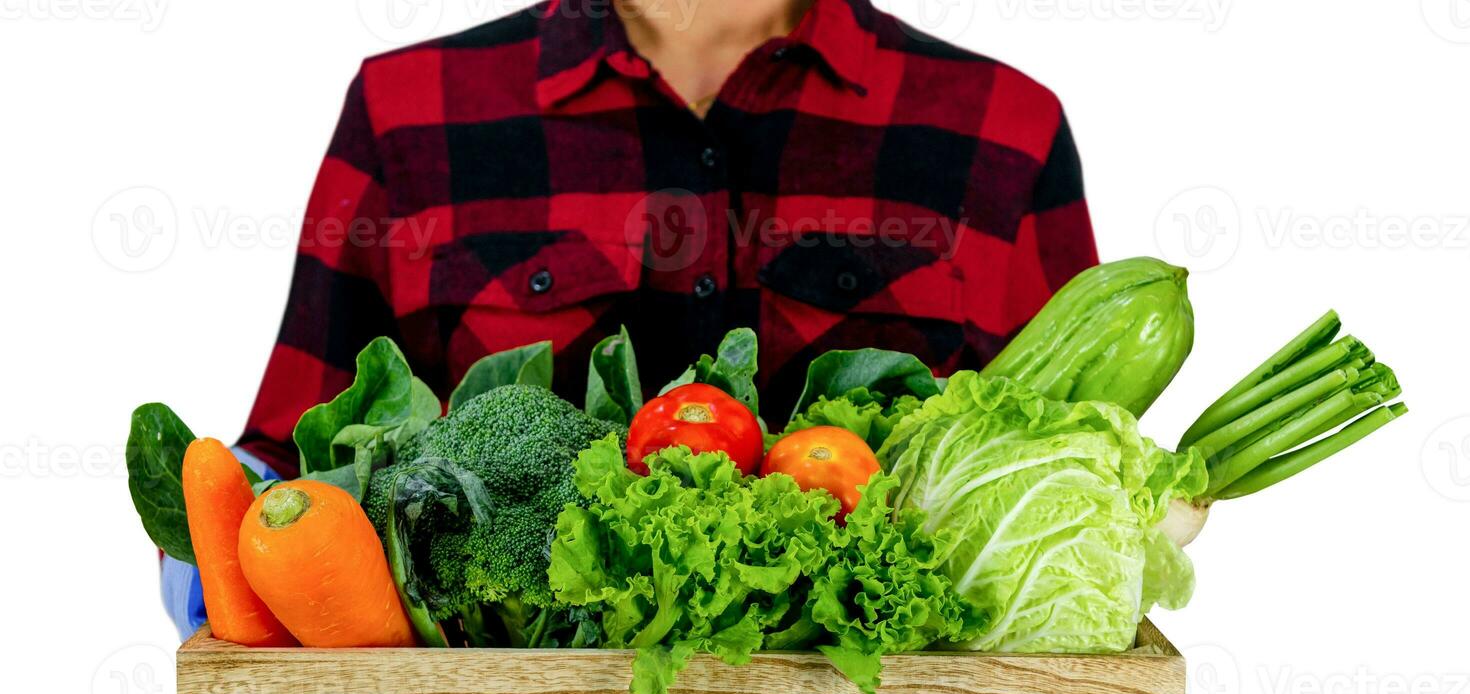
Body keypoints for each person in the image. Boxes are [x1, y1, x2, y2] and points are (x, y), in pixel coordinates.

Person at [163, 0, 1098, 636]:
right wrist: (211, 539)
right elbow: (298, 457)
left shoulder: (1003, 132)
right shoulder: (407, 114)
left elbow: (1071, 465)